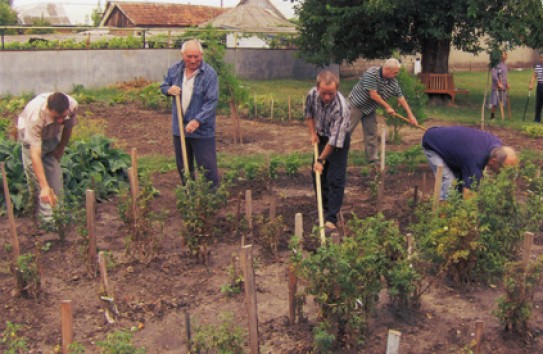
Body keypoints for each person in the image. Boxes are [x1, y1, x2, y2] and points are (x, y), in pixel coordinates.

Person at [160, 39, 220, 187]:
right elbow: (164, 85)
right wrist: (168, 90)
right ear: (182, 55)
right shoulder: (174, 70)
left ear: (201, 55)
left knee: (207, 168)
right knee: (184, 167)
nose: (193, 60)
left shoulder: (209, 74)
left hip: (202, 130)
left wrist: (197, 120)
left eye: (196, 56)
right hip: (179, 128)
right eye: (189, 57)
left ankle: (211, 198)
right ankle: (189, 194)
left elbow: (211, 101)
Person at [17, 92, 78, 222]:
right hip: (30, 140)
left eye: (63, 116)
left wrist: (61, 148)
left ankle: (58, 214)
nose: (60, 120)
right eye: (56, 117)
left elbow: (68, 127)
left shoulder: (72, 106)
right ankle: (47, 221)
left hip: (51, 137)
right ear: (48, 109)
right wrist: (44, 186)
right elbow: (35, 154)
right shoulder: (36, 117)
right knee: (38, 183)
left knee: (55, 177)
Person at [347, 58, 418, 165]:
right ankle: (336, 154)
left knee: (371, 133)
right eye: (395, 72)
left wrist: (411, 116)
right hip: (356, 105)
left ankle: (373, 159)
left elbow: (401, 98)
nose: (396, 74)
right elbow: (373, 94)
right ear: (387, 69)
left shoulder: (393, 82)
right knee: (346, 131)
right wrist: (388, 107)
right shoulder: (372, 73)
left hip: (369, 108)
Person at [305, 70, 351, 232]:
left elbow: (334, 141)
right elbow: (309, 114)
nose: (326, 97)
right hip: (321, 135)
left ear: (336, 90)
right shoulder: (311, 95)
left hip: (337, 141)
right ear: (318, 88)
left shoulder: (342, 107)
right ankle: (324, 208)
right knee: (317, 175)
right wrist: (312, 133)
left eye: (331, 93)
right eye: (324, 93)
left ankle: (332, 217)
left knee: (335, 178)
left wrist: (320, 160)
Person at [421, 126, 518, 200]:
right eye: (503, 169)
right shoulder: (476, 161)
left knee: (460, 181)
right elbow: (469, 195)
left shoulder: (497, 145)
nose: (504, 173)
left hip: (452, 145)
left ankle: (454, 210)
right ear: (493, 161)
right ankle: (443, 216)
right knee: (449, 182)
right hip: (432, 144)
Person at [490, 51, 510, 119]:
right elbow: (494, 75)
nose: (505, 57)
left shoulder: (505, 65)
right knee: (494, 103)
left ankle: (503, 116)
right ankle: (492, 116)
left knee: (502, 102)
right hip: (496, 87)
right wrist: (498, 82)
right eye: (504, 56)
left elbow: (505, 76)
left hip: (503, 87)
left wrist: (507, 83)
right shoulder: (495, 65)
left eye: (506, 56)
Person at [528, 53, 543, 123]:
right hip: (540, 86)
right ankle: (537, 119)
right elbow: (534, 76)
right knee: (538, 103)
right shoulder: (538, 66)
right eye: (541, 58)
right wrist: (531, 84)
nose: (542, 59)